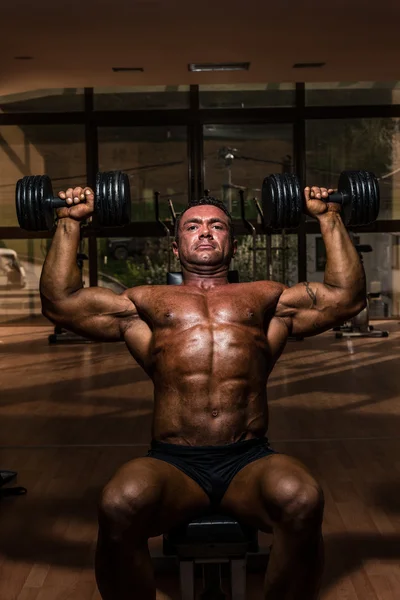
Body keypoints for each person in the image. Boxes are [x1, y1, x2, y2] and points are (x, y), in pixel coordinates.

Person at [40, 183, 366, 600]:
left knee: (302, 497)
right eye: (193, 226)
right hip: (175, 463)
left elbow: (346, 297)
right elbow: (61, 302)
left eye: (217, 225)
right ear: (176, 248)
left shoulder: (267, 298)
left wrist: (328, 215)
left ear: (232, 243)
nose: (206, 231)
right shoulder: (145, 303)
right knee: (119, 502)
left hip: (248, 460)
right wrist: (69, 221)